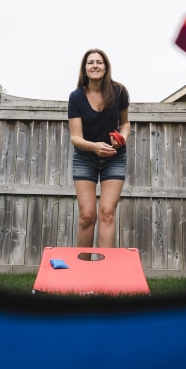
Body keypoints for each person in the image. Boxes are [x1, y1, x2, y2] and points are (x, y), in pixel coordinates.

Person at [68, 48, 130, 249]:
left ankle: (105, 273)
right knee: (87, 216)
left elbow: (126, 124)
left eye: (99, 62)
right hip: (85, 158)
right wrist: (94, 147)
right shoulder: (76, 97)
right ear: (85, 69)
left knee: (107, 213)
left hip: (114, 158)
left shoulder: (119, 91)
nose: (95, 65)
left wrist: (122, 138)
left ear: (106, 67)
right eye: (90, 62)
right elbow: (76, 137)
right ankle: (82, 272)